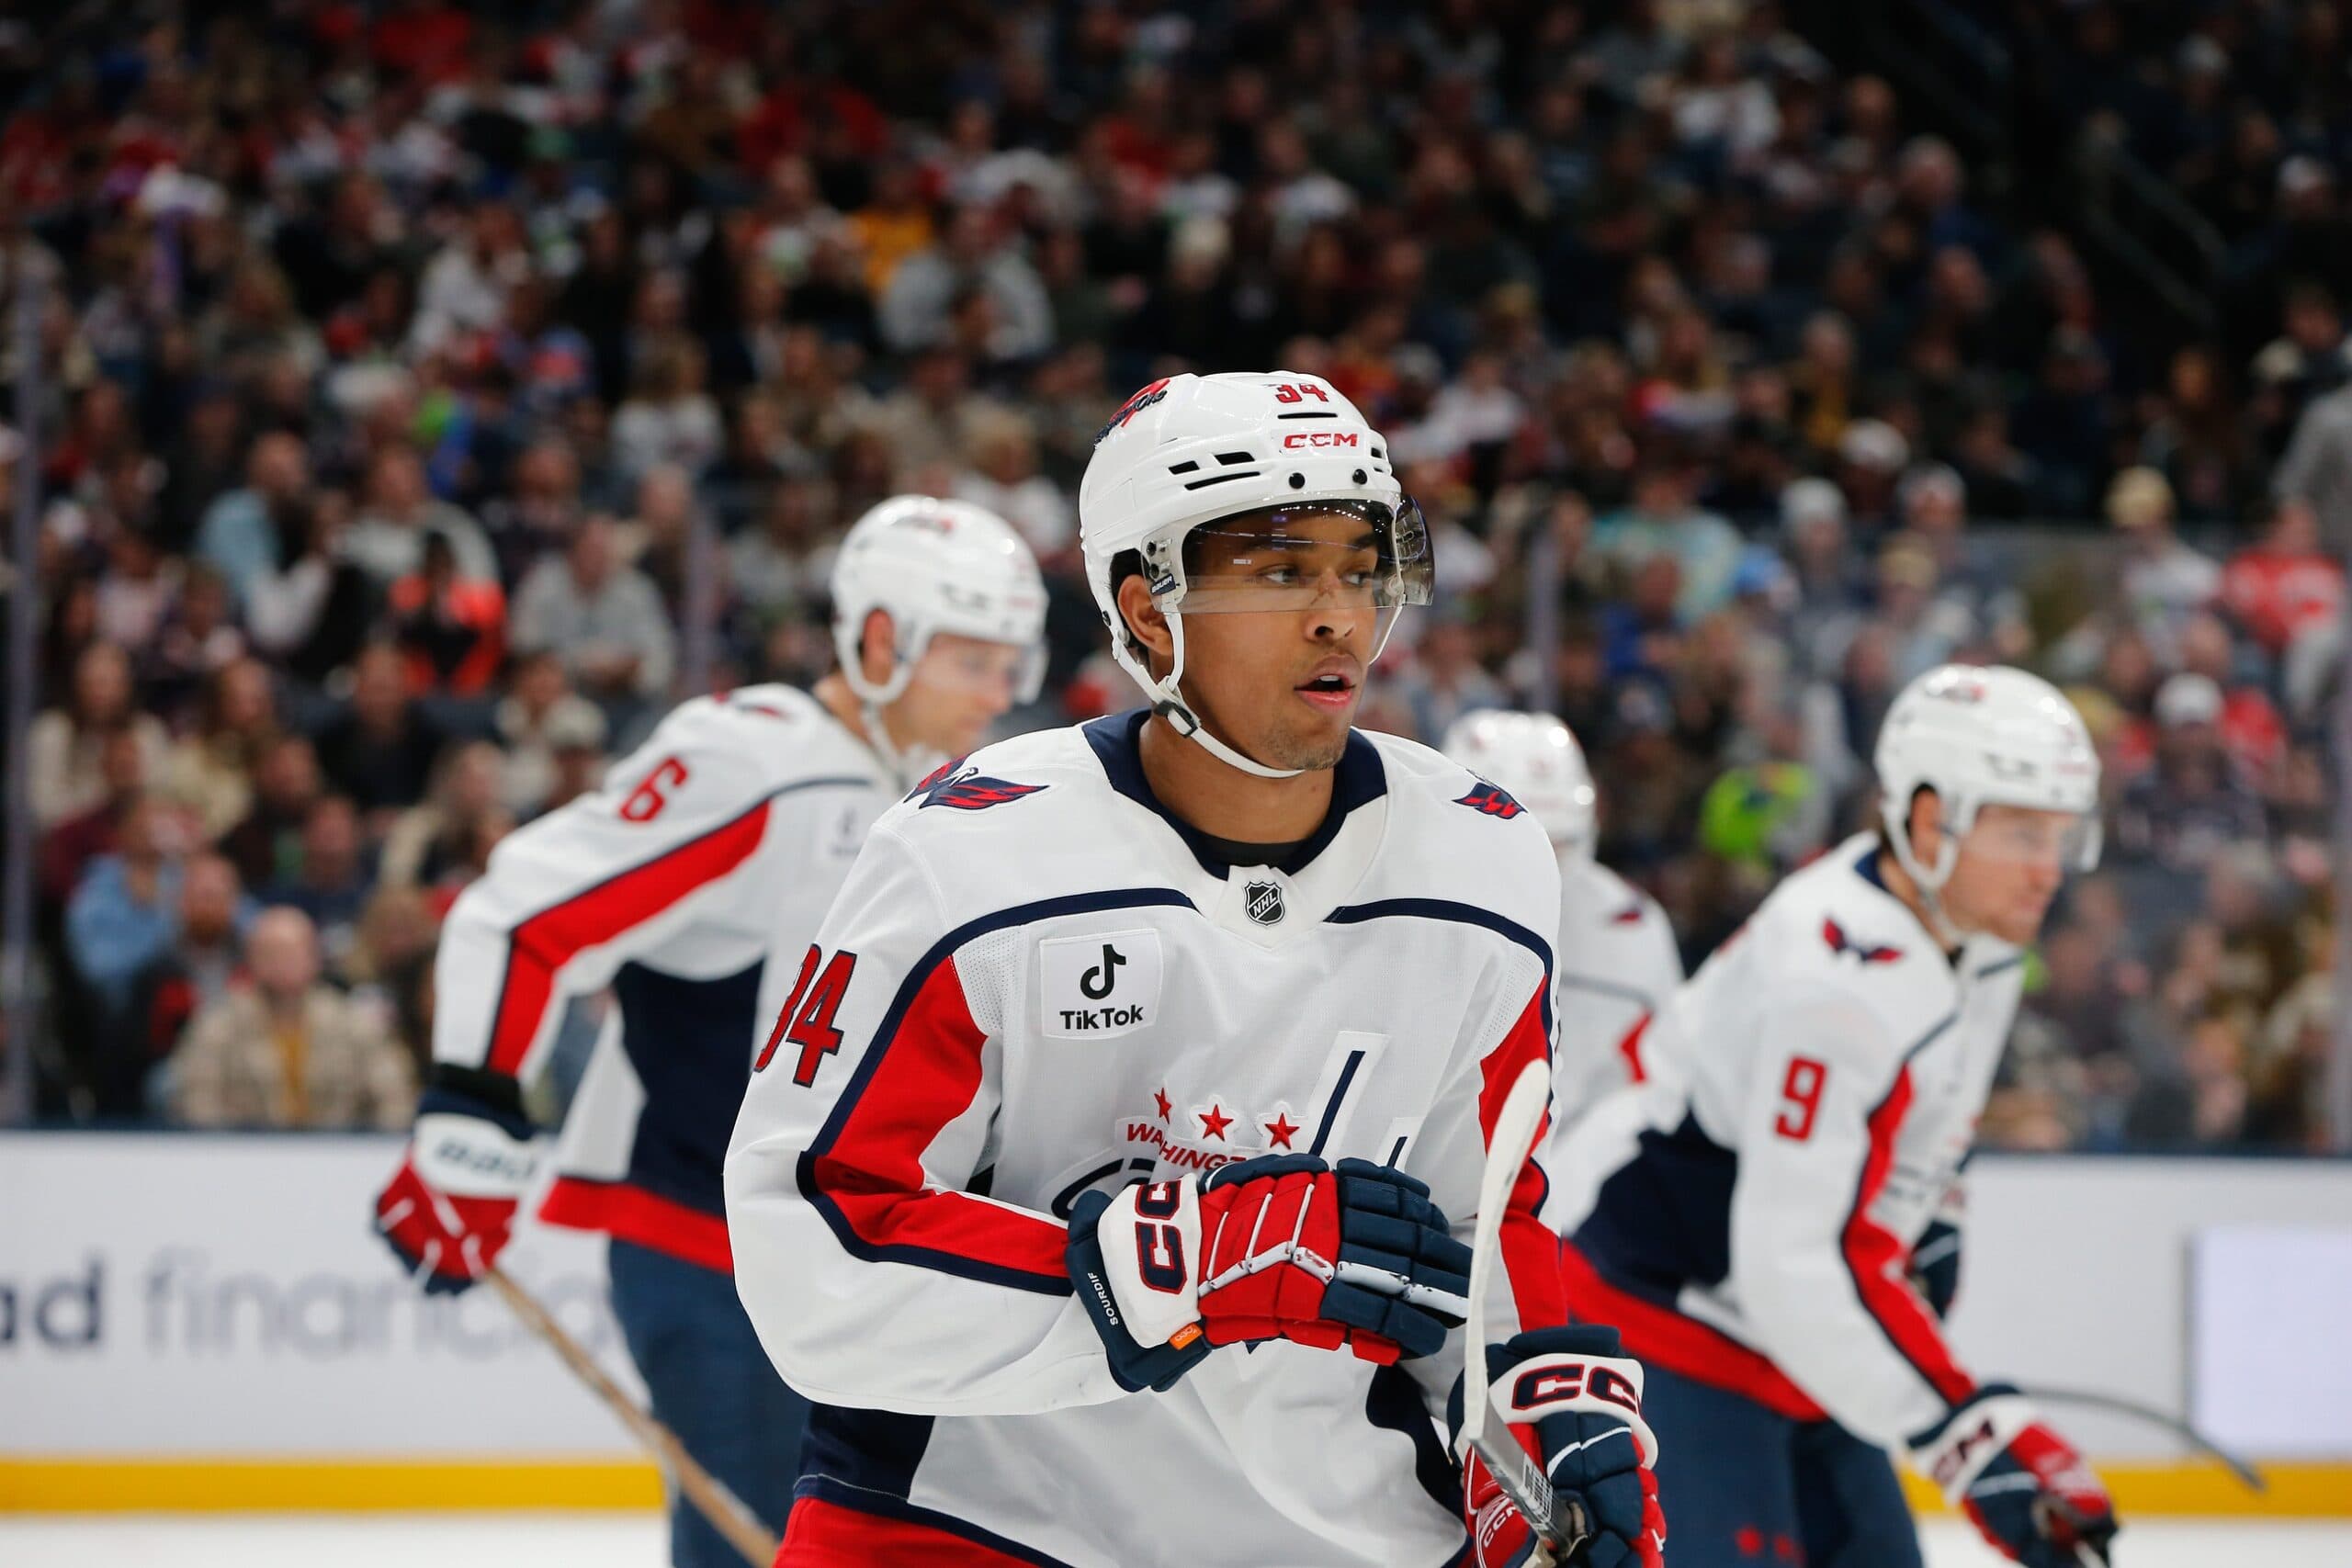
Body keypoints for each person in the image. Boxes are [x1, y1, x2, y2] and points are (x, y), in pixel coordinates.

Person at [725, 372, 1664, 1568]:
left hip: (1338, 1528)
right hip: (971, 1512)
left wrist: (1536, 1400)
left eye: (1360, 563)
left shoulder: (1481, 861)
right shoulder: (969, 854)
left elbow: (1486, 1224)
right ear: (1148, 610)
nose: (1341, 615)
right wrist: (1176, 1263)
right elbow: (813, 1249)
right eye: (1279, 571)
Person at [372, 496, 1047, 1568]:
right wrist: (471, 1118)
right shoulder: (759, 764)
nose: (1002, 692)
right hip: (710, 1254)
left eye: (1012, 661)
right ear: (881, 643)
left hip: (856, 1263)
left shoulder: (945, 798)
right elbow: (524, 918)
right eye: (973, 660)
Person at [1548, 664, 2120, 1568]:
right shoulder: (1838, 986)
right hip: (1656, 1311)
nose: (2048, 869)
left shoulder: (1980, 938)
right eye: (2020, 833)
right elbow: (1791, 1261)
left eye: (2062, 836)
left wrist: (1931, 1211)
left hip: (1791, 1336)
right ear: (1930, 821)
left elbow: (1937, 1114)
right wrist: (1969, 1440)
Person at [1441, 710, 1682, 1123]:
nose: (1542, 864)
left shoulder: (1632, 927)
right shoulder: (1392, 912)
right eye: (1520, 842)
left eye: (1559, 844)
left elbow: (1661, 1077)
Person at [170, 906, 414, 1130]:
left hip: (337, 1156)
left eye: (294, 950)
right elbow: (198, 1100)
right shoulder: (218, 1023)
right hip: (245, 1157)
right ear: (251, 958)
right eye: (271, 952)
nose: (283, 962)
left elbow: (394, 1097)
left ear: (314, 957)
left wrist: (372, 1149)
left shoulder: (352, 1022)